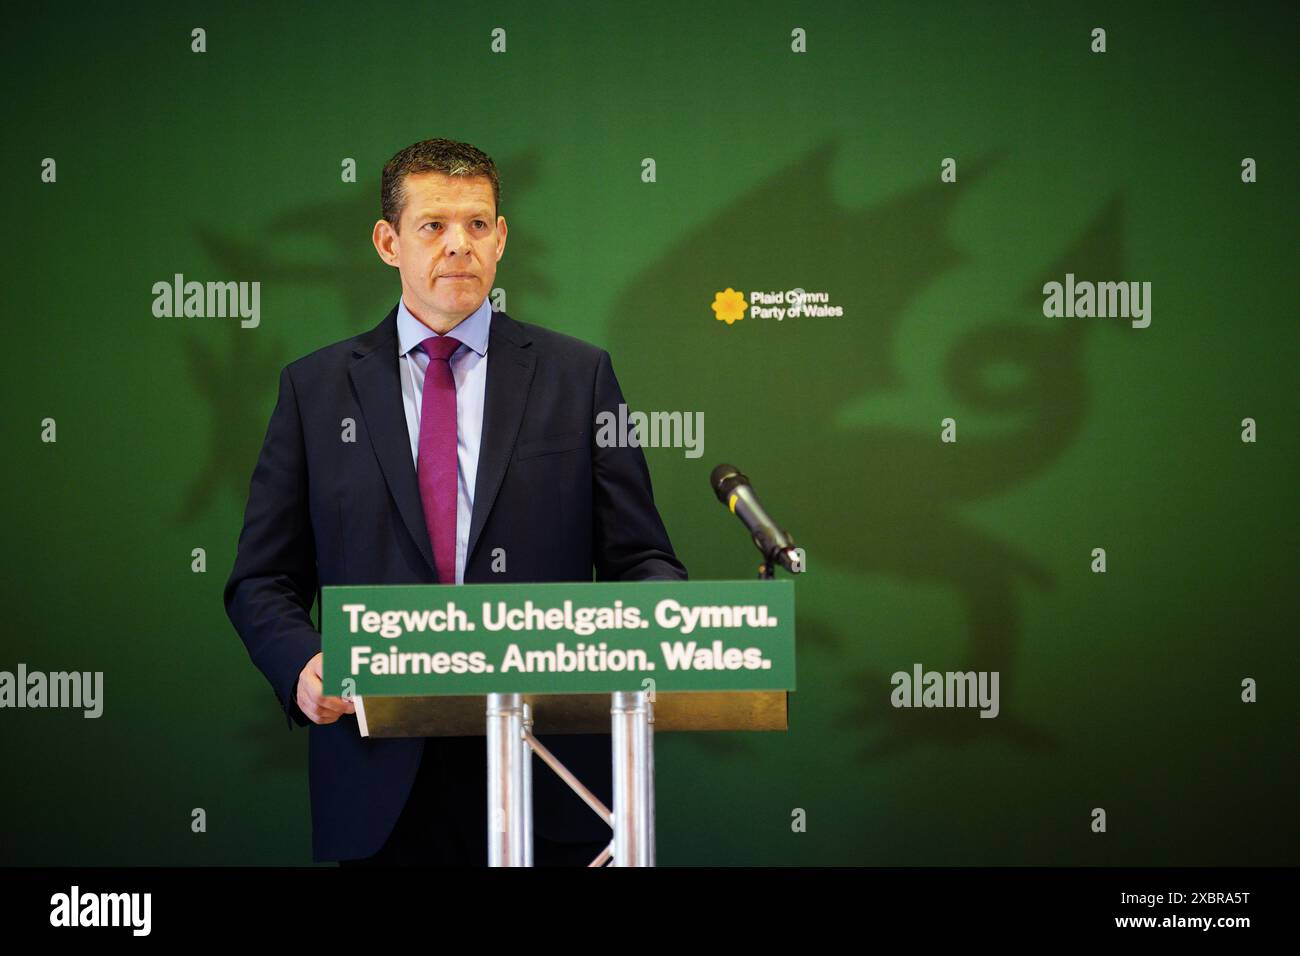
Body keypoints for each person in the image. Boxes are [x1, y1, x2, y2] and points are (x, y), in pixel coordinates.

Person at [223, 138, 687, 866]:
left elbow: (645, 559)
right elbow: (262, 580)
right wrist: (301, 663)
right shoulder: (314, 392)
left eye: (477, 225)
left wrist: (654, 628)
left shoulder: (580, 377)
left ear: (501, 239)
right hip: (379, 775)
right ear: (388, 242)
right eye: (433, 225)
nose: (458, 245)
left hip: (553, 776)